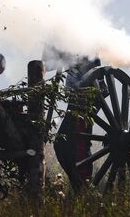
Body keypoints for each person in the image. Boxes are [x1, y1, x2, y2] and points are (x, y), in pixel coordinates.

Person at [43, 47, 101, 190]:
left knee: (79, 144)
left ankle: (83, 185)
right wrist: (52, 46)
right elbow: (47, 64)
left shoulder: (82, 42)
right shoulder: (66, 40)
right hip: (75, 99)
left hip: (86, 97)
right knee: (61, 145)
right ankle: (78, 183)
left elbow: (93, 72)